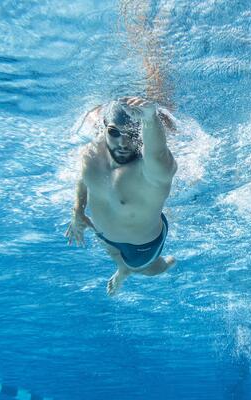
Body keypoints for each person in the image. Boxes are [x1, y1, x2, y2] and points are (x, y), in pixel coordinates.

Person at [65, 97, 177, 295]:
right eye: (114, 133)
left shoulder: (152, 170)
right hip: (104, 236)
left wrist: (150, 118)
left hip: (142, 247)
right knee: (115, 255)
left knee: (142, 269)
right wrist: (78, 210)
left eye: (131, 134)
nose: (123, 142)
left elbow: (157, 153)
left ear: (140, 134)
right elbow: (86, 176)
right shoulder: (92, 153)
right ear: (105, 128)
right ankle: (121, 267)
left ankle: (136, 269)